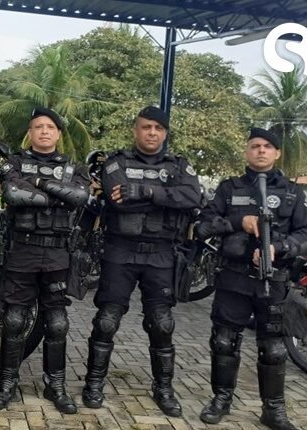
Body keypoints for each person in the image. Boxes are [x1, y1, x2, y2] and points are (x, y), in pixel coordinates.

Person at [82, 106, 201, 416]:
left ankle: (164, 389)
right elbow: (119, 202)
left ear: (165, 133)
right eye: (146, 127)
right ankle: (93, 383)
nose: (152, 133)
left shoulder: (179, 166)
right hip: (120, 251)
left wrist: (144, 191)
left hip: (161, 253)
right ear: (136, 130)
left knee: (162, 323)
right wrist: (165, 198)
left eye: (158, 128)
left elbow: (192, 198)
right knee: (106, 321)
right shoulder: (116, 163)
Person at [195, 127, 307, 429]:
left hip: (274, 280)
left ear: (277, 153)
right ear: (246, 152)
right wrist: (239, 222)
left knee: (274, 348)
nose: (261, 150)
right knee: (224, 341)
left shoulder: (292, 193)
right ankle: (221, 399)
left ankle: (273, 410)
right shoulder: (229, 188)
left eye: (267, 147)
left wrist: (279, 247)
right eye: (255, 146)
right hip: (233, 278)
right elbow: (203, 226)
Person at [0, 107, 90, 414]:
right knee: (14, 320)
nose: (44, 131)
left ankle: (55, 384)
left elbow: (80, 198)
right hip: (23, 251)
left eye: (50, 127)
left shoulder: (74, 168)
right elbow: (14, 195)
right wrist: (59, 196)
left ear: (58, 134)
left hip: (58, 254)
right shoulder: (15, 163)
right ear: (30, 133)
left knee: (57, 323)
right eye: (38, 126)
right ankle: (7, 383)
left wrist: (39, 184)